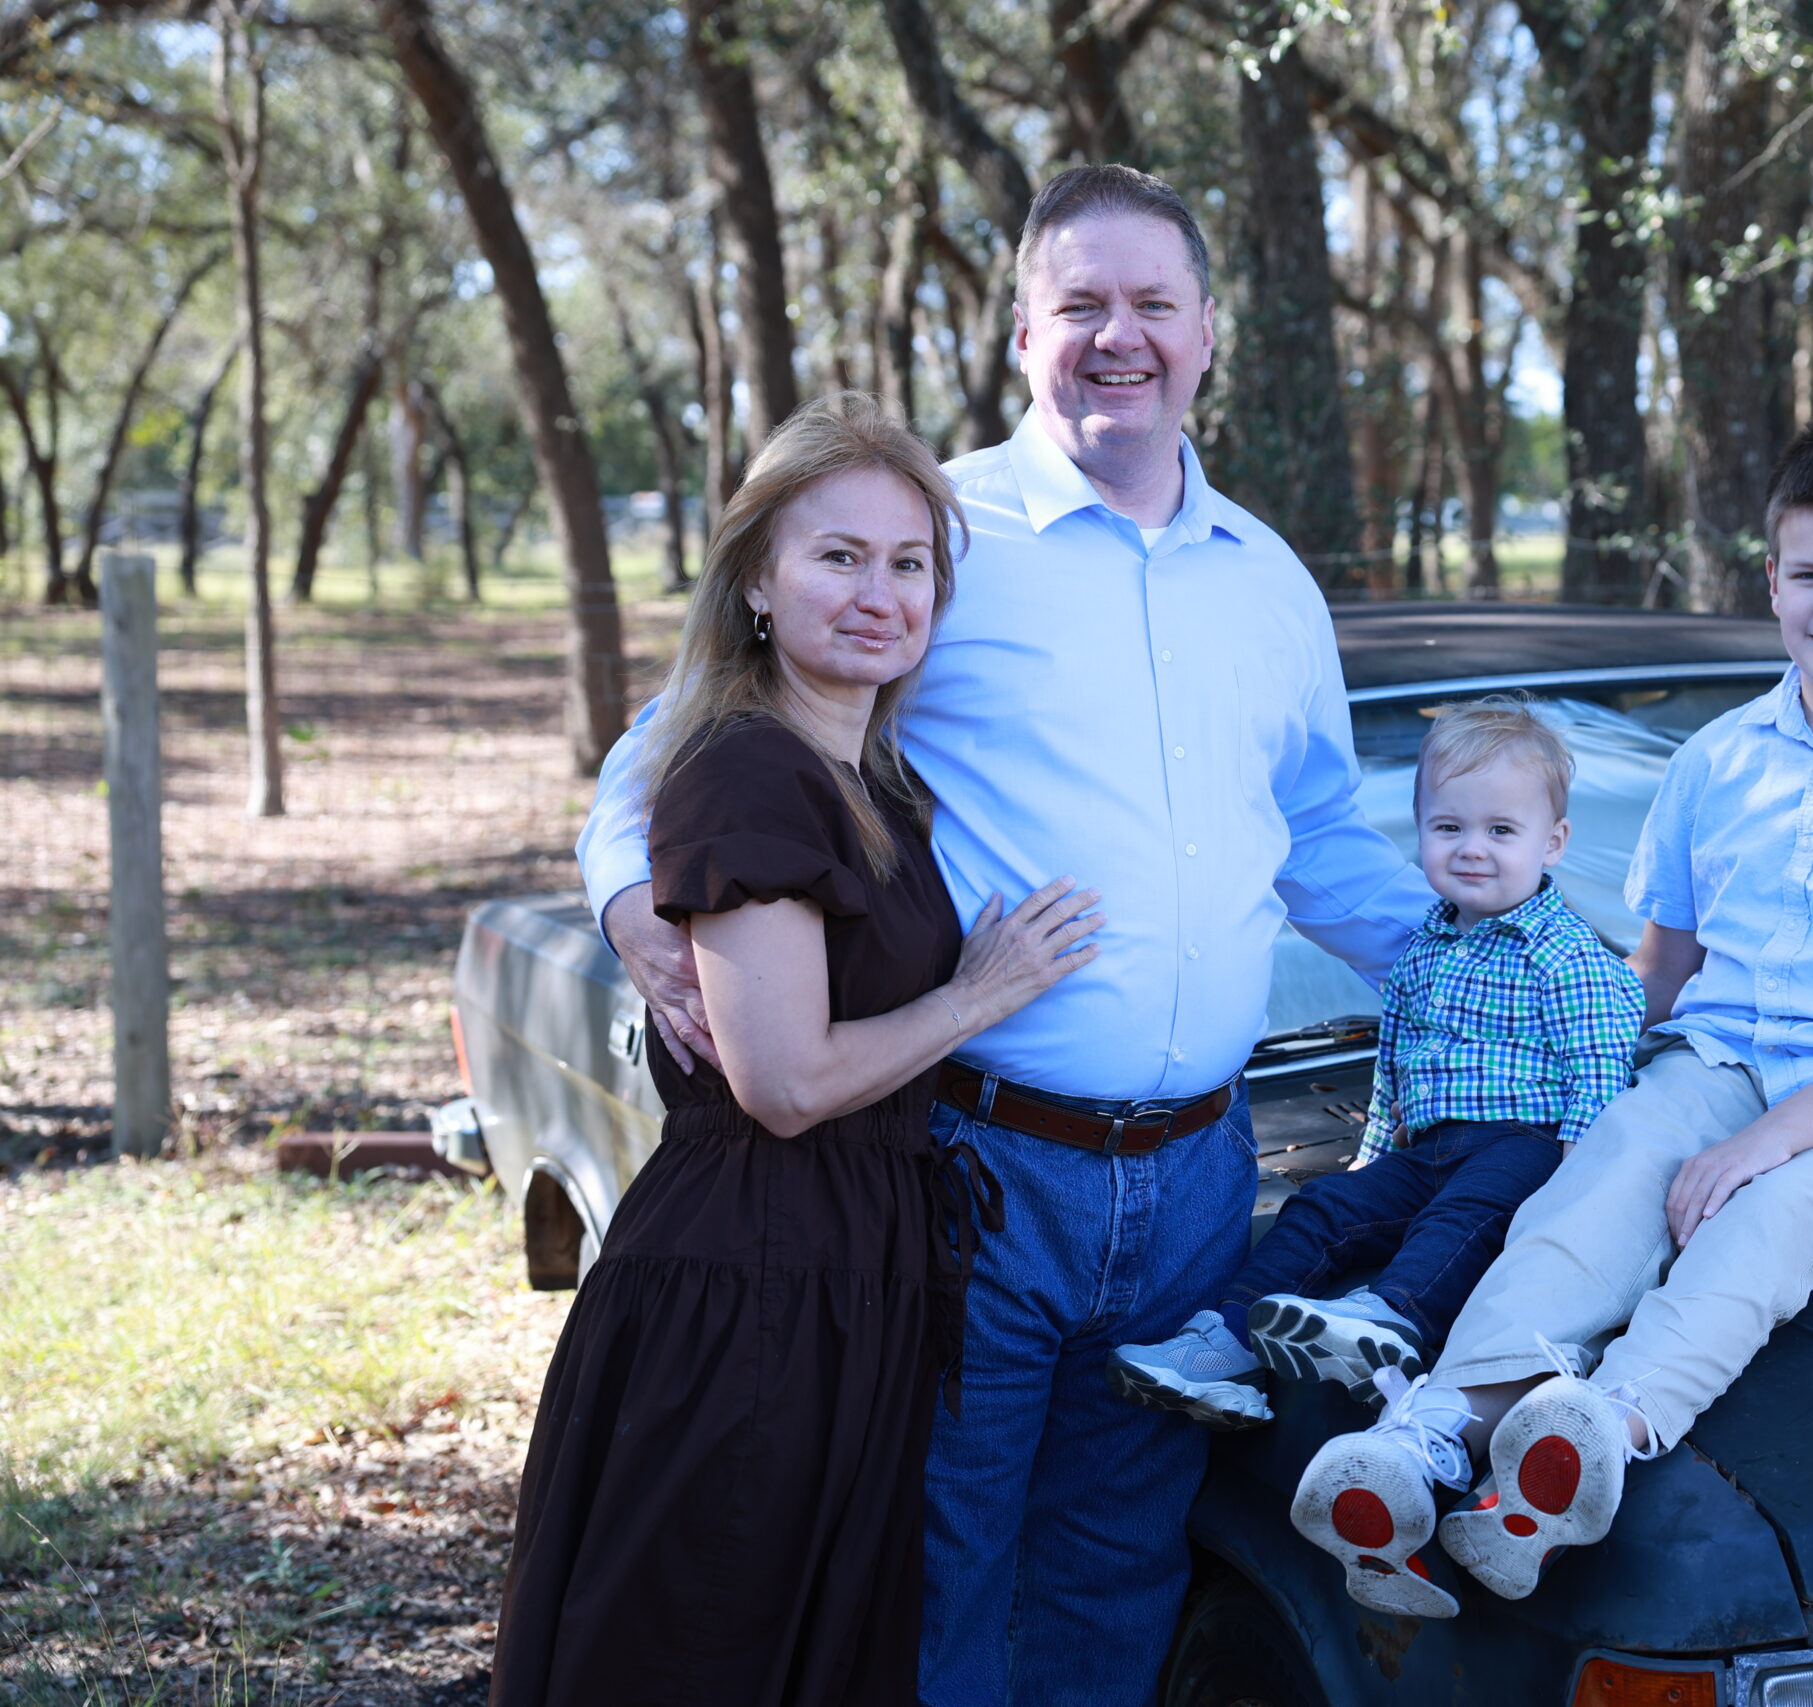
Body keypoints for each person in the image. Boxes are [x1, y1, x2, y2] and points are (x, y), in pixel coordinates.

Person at [574, 166, 1431, 1706]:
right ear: (1020, 331)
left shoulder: (1273, 585)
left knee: (1119, 1566)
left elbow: (1319, 845)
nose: (1121, 337)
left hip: (1200, 1177)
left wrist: (1499, 973)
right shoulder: (931, 538)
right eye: (1081, 305)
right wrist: (632, 904)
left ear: (1208, 332)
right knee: (944, 1567)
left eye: (1153, 305)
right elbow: (669, 750)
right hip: (978, 1170)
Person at [1289, 408, 1813, 1612]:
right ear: (1771, 581)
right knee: (1588, 1191)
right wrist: (1565, 1112)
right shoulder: (1718, 759)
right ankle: (1431, 1435)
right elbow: (1657, 977)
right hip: (1717, 1060)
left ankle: (1601, 1426)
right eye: (1809, 574)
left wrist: (1759, 1146)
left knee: (1768, 1220)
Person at [490, 396, 1102, 1706]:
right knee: (705, 1641)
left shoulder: (874, 778)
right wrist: (982, 993)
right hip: (747, 1281)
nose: (878, 591)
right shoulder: (747, 773)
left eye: (909, 562)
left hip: (848, 1267)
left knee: (805, 1650)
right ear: (759, 579)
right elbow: (784, 1084)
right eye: (837, 555)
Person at [1107, 700, 1642, 1483]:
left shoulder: (1569, 957)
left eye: (1501, 830)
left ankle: (1388, 1315)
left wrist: (1576, 1185)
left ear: (1553, 842)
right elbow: (1395, 1065)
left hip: (1524, 1145)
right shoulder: (1424, 944)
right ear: (1419, 830)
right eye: (1448, 826)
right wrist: (1367, 1159)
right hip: (1425, 1146)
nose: (1471, 849)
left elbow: (1599, 1070)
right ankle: (1220, 1345)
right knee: (1323, 1208)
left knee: (1467, 1213)